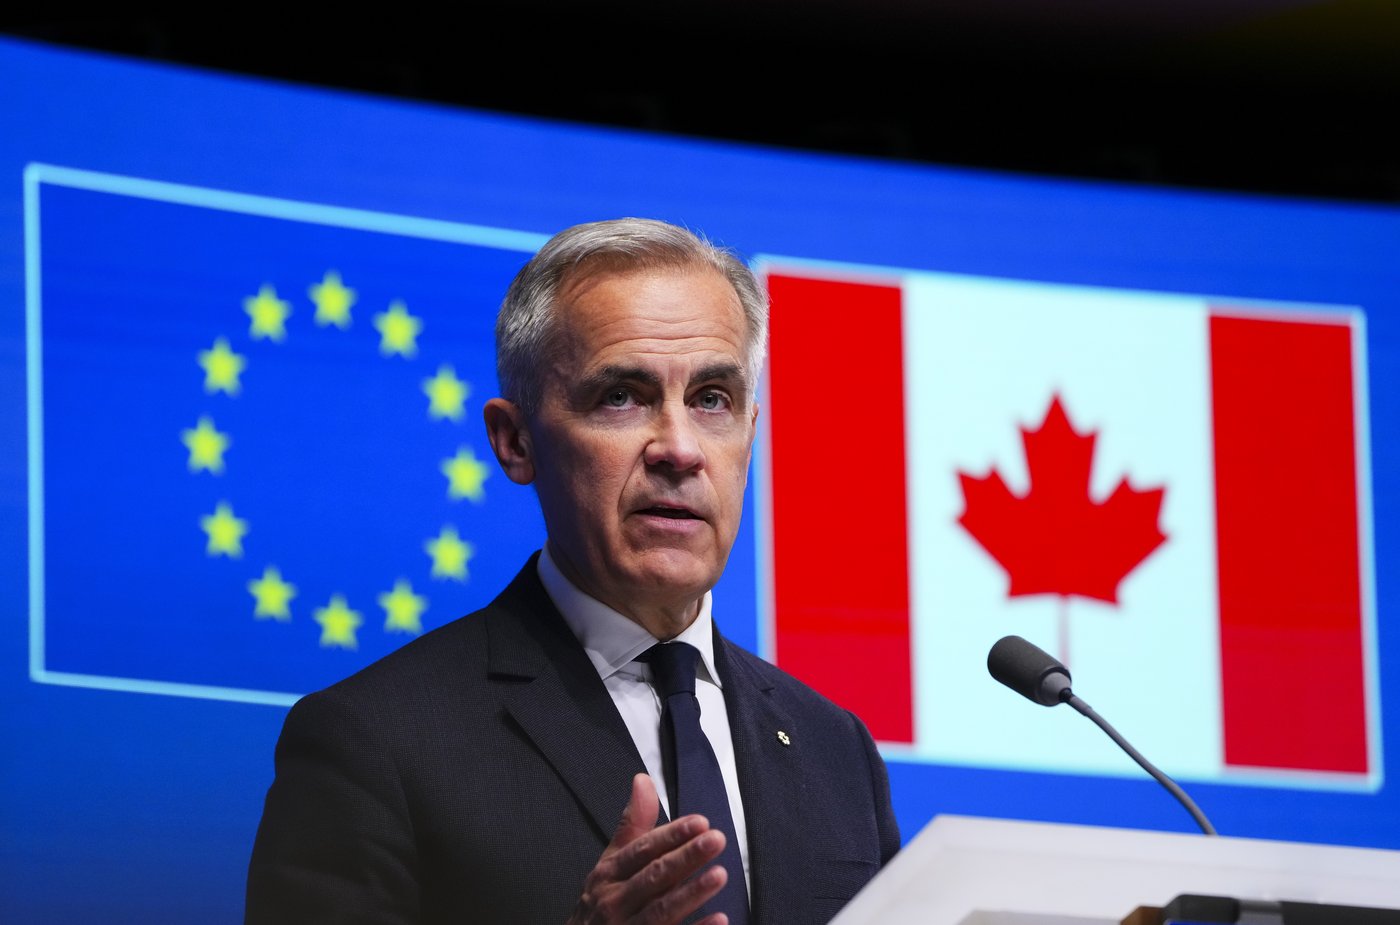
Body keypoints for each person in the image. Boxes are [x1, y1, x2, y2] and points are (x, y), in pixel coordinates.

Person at [245, 218, 899, 924]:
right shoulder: (375, 742)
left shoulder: (838, 751)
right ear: (516, 441)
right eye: (621, 396)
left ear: (750, 428)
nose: (679, 448)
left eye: (712, 398)